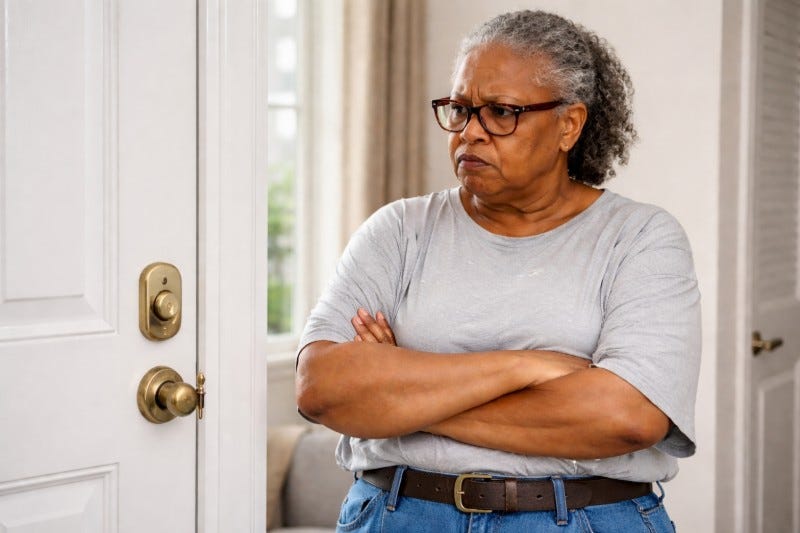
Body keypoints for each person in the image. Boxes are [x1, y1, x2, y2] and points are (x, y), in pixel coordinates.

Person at [295, 9, 700, 533]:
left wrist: (399, 397)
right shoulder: (399, 229)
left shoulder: (641, 237)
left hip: (582, 519)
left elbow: (629, 418)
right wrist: (525, 367)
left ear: (569, 124)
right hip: (400, 515)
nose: (470, 133)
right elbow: (321, 389)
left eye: (501, 112)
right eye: (460, 109)